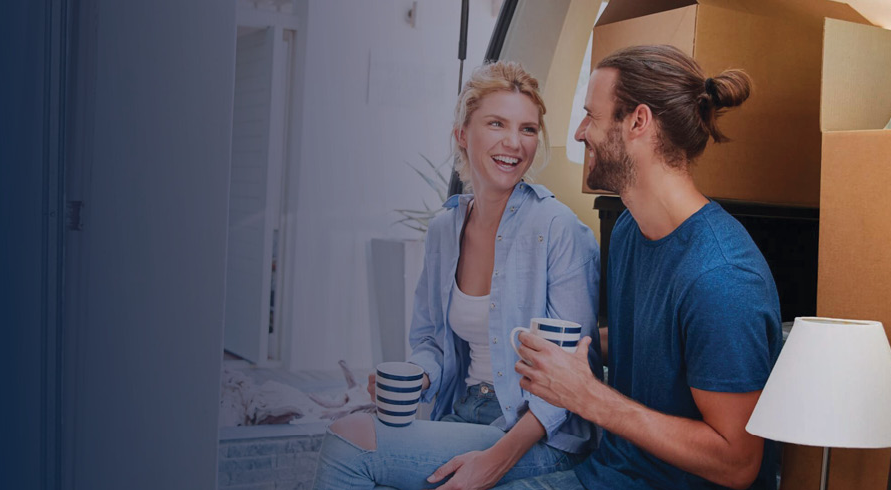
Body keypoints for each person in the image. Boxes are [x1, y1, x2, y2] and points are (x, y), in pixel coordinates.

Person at [497, 45, 783, 490]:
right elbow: (656, 343)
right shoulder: (630, 231)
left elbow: (737, 462)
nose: (579, 132)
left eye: (592, 115)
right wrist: (564, 353)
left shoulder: (722, 279)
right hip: (609, 471)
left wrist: (591, 398)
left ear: (638, 122)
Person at [311, 61, 602, 490]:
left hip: (535, 435)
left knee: (348, 446)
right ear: (463, 135)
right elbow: (429, 340)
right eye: (497, 123)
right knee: (359, 434)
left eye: (527, 129)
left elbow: (575, 373)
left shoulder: (558, 229)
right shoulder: (444, 229)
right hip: (463, 411)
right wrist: (416, 378)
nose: (513, 143)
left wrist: (494, 462)